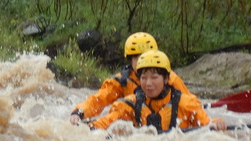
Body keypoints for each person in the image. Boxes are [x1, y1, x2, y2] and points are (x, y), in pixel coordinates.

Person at [68, 32, 197, 125]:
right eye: (137, 57)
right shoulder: (121, 81)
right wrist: (79, 112)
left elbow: (189, 105)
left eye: (144, 55)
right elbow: (98, 100)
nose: (143, 60)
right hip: (135, 123)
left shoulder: (169, 79)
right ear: (130, 60)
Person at [88, 50, 225, 133]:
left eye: (154, 78)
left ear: (166, 79)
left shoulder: (186, 103)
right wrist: (87, 128)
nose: (148, 83)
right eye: (144, 78)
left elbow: (207, 123)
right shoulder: (130, 104)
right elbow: (105, 122)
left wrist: (217, 123)